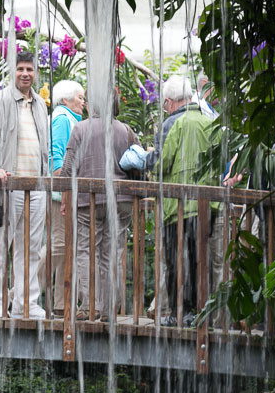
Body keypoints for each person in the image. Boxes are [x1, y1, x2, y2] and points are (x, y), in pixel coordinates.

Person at [0, 51, 50, 319]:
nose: (25, 74)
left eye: (29, 69)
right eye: (20, 69)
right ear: (12, 72)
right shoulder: (0, 101)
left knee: (32, 247)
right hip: (8, 188)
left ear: (35, 73)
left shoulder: (40, 105)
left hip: (35, 188)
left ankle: (27, 304)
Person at [59, 92, 139, 322]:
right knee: (112, 252)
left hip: (88, 201)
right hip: (120, 200)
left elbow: (67, 171)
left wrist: (65, 195)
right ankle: (109, 307)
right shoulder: (126, 130)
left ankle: (89, 305)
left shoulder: (81, 129)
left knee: (86, 251)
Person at [153, 75, 220, 326]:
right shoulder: (208, 121)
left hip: (178, 205)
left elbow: (163, 163)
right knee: (200, 258)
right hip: (206, 203)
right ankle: (203, 313)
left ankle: (178, 313)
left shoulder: (176, 123)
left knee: (175, 259)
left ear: (171, 102)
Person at [48, 80, 85, 317]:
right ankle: (58, 302)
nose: (83, 102)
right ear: (65, 100)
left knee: (63, 245)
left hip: (67, 193)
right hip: (61, 194)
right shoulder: (62, 118)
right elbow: (56, 157)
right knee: (60, 245)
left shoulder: (72, 119)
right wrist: (64, 191)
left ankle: (61, 302)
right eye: (79, 97)